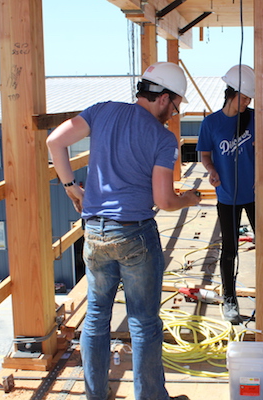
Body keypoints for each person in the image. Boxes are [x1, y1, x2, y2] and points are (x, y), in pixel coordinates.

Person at [46, 61, 200, 400]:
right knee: (143, 323)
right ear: (164, 98)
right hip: (135, 235)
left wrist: (71, 185)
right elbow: (164, 199)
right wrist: (188, 198)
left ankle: (95, 396)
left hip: (95, 232)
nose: (173, 114)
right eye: (175, 106)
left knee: (97, 317)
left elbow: (55, 141)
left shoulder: (102, 111)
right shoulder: (162, 138)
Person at [196, 64, 256, 324]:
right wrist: (211, 170)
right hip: (227, 195)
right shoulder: (211, 123)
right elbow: (205, 154)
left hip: (255, 194)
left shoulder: (256, 118)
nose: (247, 102)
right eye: (243, 97)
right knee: (229, 249)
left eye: (250, 98)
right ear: (231, 93)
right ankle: (229, 298)